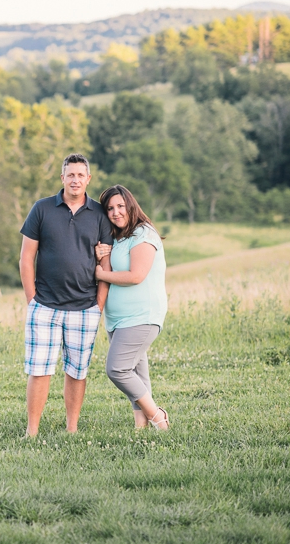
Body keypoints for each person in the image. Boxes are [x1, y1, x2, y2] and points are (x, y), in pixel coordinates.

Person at [19, 153, 112, 437]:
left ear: (88, 179)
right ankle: (31, 431)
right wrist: (32, 299)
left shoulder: (99, 214)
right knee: (39, 370)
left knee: (77, 371)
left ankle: (72, 429)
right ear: (62, 178)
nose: (75, 179)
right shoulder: (42, 209)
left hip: (85, 307)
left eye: (80, 175)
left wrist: (98, 305)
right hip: (44, 305)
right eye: (70, 174)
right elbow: (26, 258)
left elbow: (105, 264)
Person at [94, 185, 169, 430]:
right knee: (137, 371)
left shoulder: (143, 234)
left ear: (130, 205)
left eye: (120, 206)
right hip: (118, 319)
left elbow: (136, 275)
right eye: (110, 209)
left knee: (117, 368)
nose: (115, 212)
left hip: (142, 316)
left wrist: (100, 273)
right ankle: (141, 426)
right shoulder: (118, 238)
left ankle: (157, 416)